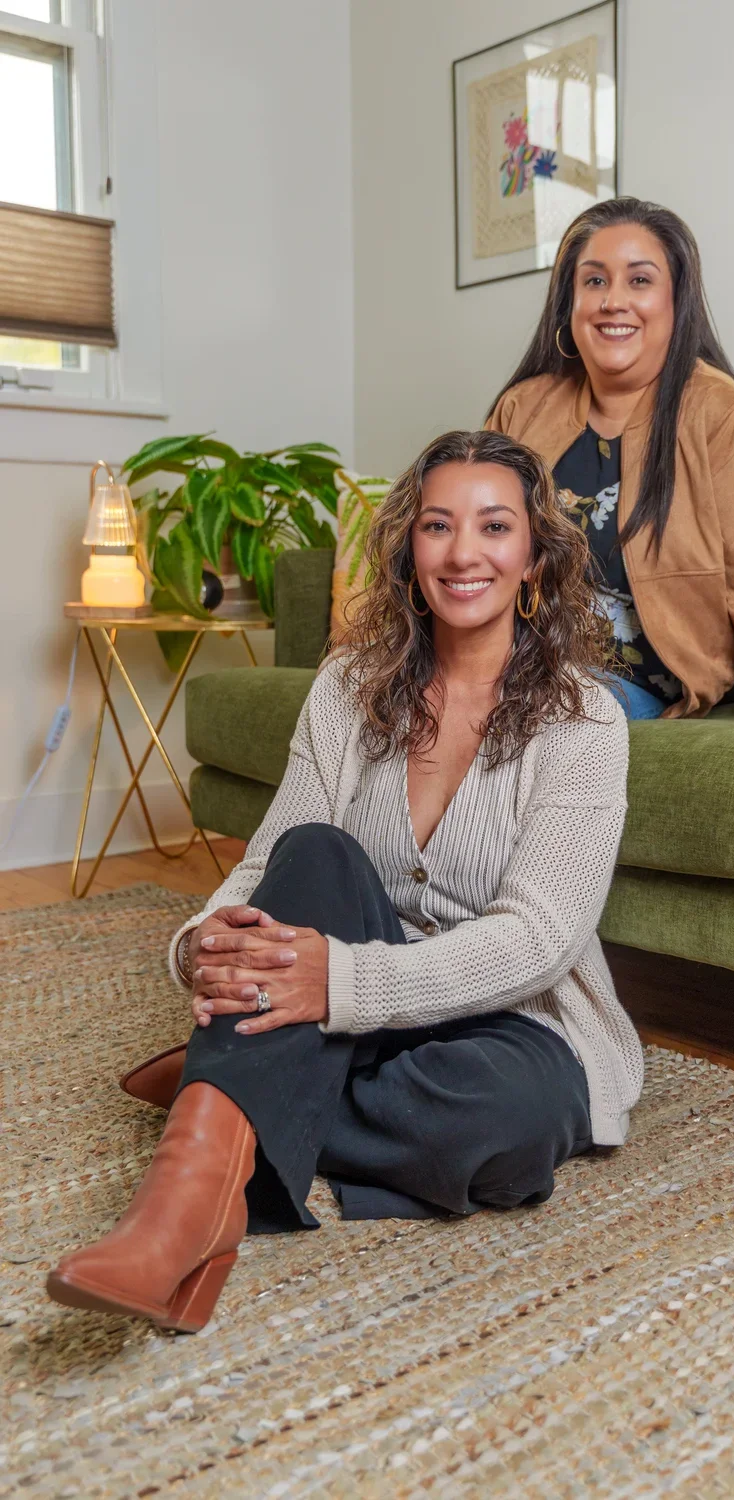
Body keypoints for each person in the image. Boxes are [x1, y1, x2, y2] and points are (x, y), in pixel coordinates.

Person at [46, 430, 644, 1333]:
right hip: (342, 948)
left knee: (505, 1128)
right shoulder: (345, 689)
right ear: (411, 551)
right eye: (438, 527)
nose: (464, 552)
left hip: (513, 1012)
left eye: (493, 527)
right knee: (320, 850)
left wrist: (343, 984)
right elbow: (271, 863)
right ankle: (184, 1211)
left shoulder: (584, 720)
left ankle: (240, 1076)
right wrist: (199, 942)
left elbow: (539, 940)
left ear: (533, 559)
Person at [486, 196, 734, 724]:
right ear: (568, 306)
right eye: (594, 281)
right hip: (503, 666)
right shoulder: (522, 408)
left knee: (522, 710)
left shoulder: (721, 414)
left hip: (613, 688)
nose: (612, 300)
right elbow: (469, 553)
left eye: (639, 281)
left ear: (675, 301)